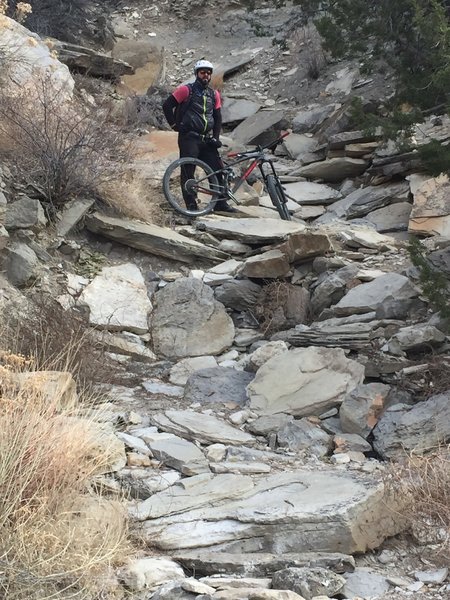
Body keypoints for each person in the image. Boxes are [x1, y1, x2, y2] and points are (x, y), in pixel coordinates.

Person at [162, 59, 237, 213]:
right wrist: (175, 126)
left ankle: (220, 204)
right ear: (196, 74)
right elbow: (167, 105)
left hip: (206, 138)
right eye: (203, 72)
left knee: (217, 170)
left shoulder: (213, 94)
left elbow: (217, 118)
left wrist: (216, 137)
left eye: (209, 73)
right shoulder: (185, 90)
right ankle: (191, 206)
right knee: (188, 171)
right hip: (189, 138)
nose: (206, 76)